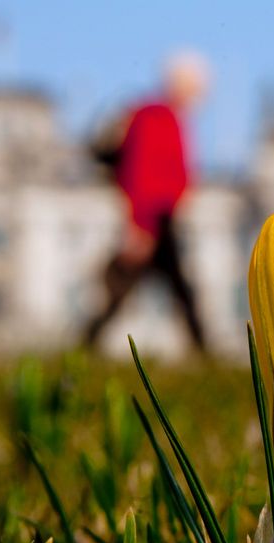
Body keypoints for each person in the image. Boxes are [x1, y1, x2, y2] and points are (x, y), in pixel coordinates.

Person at [84, 52, 210, 351]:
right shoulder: (155, 117)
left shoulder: (163, 116)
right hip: (155, 217)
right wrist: (140, 226)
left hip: (161, 216)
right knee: (178, 290)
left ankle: (86, 342)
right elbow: (139, 175)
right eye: (197, 88)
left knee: (147, 289)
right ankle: (203, 349)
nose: (200, 96)